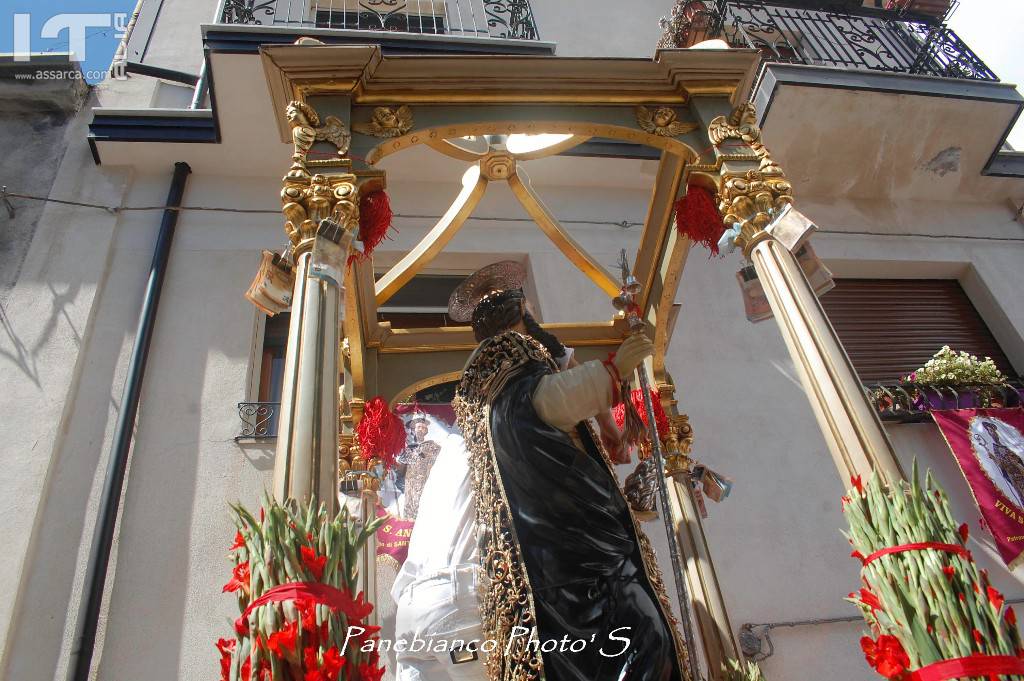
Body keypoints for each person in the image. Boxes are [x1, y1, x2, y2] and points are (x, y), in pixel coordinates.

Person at [449, 262, 689, 681]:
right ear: (521, 312)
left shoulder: (495, 376)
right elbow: (547, 402)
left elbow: (561, 384)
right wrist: (615, 370)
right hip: (576, 550)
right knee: (646, 641)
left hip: (556, 548)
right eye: (530, 310)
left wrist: (609, 426)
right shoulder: (508, 364)